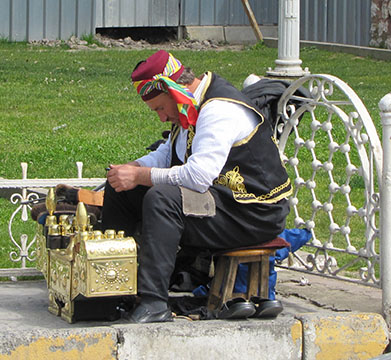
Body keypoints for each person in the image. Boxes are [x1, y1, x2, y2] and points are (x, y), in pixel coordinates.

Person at [100, 50, 292, 323]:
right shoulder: (190, 105)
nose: (161, 118)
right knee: (122, 189)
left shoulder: (218, 109)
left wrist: (140, 175)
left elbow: (198, 176)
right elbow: (167, 155)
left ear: (174, 90)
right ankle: (112, 288)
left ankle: (154, 302)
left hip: (253, 213)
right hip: (223, 202)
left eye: (160, 108)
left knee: (162, 199)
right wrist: (130, 169)